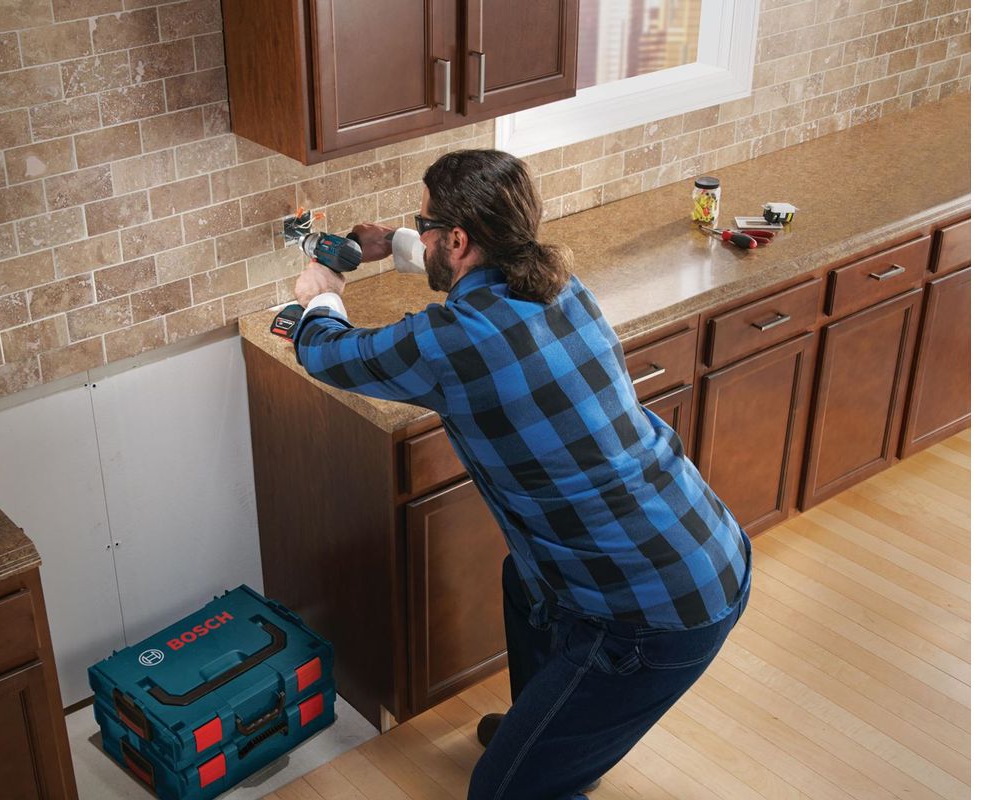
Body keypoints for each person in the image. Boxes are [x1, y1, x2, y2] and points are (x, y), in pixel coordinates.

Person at [290, 149, 751, 800]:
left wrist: (320, 294)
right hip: (706, 549)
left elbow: (330, 352)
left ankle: (541, 766)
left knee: (500, 795)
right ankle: (544, 730)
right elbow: (468, 268)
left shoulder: (455, 342)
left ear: (457, 240)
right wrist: (393, 245)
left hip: (653, 619)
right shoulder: (560, 285)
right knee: (525, 583)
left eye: (423, 225)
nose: (419, 233)